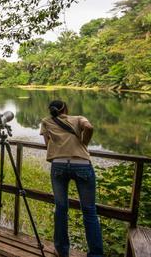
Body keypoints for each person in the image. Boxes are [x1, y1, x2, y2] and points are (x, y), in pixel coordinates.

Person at [40, 100, 103, 257]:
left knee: (61, 208)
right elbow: (89, 127)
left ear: (51, 111)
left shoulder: (46, 121)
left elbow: (47, 143)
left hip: (59, 164)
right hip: (81, 164)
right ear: (65, 109)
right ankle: (95, 254)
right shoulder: (79, 118)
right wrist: (84, 143)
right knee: (89, 211)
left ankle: (61, 250)